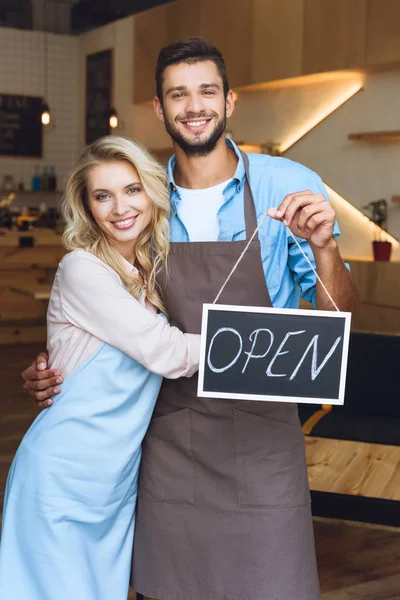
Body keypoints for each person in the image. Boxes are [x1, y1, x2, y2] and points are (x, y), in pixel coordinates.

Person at [21, 38, 358, 600]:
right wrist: (56, 364)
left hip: (264, 440)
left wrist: (325, 248)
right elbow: (102, 306)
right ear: (160, 108)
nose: (194, 105)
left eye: (207, 91)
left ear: (230, 101)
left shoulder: (286, 184)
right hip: (169, 440)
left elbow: (339, 327)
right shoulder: (142, 198)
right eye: (178, 94)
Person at [0, 136, 200, 600]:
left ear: (151, 193)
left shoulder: (151, 272)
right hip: (61, 479)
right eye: (102, 195)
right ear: (87, 207)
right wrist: (249, 344)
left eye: (132, 190)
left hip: (113, 485)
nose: (120, 207)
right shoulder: (81, 269)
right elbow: (166, 353)